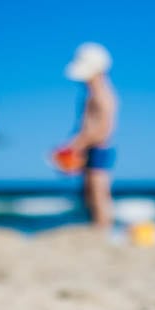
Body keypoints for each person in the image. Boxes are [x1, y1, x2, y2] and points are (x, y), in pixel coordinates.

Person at [60, 42, 118, 229]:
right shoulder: (91, 94)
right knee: (88, 192)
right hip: (89, 147)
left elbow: (103, 128)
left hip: (99, 147)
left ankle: (103, 227)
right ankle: (95, 224)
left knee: (98, 192)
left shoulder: (102, 94)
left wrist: (76, 144)